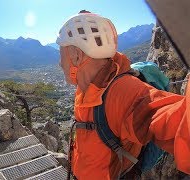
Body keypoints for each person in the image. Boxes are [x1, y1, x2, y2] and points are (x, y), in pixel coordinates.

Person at [56, 10, 190, 179]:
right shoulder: (87, 87)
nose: (59, 63)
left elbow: (176, 122)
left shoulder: (123, 92)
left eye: (61, 53)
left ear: (77, 56)